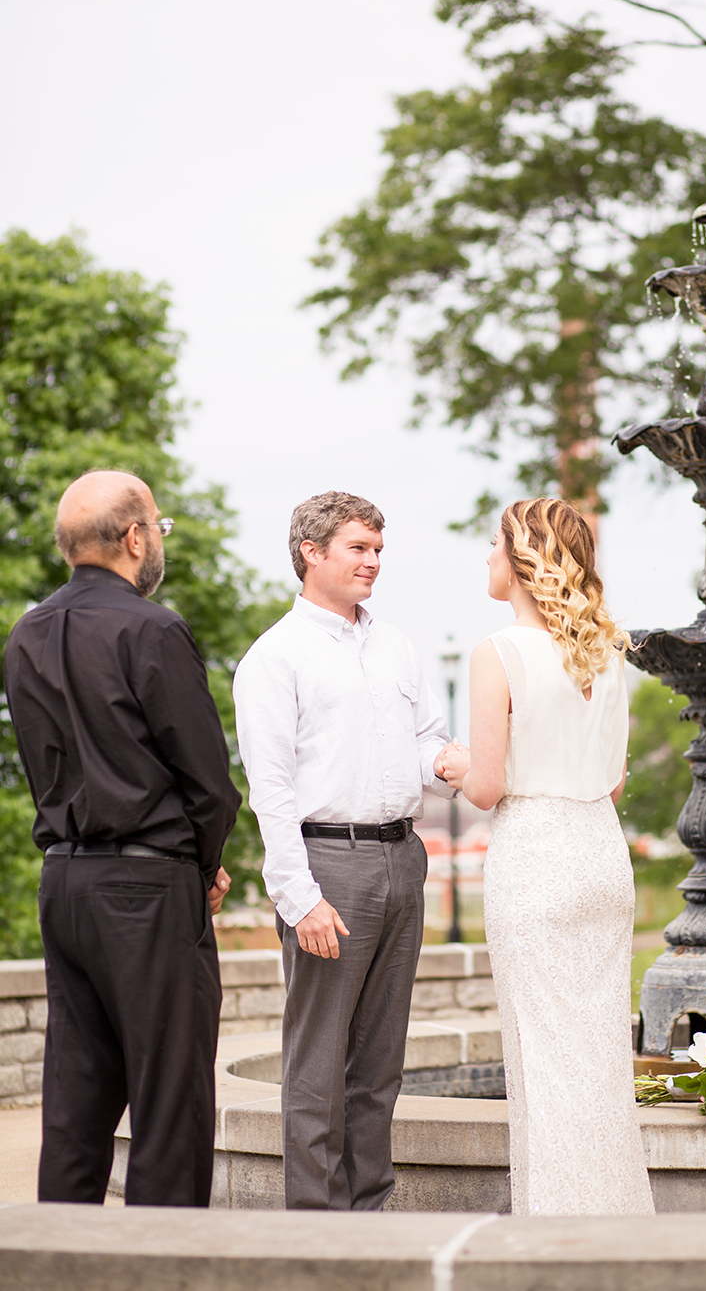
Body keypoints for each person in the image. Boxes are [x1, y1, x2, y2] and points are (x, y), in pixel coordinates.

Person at [3, 469, 241, 1207]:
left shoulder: (26, 633)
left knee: (75, 1104)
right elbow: (208, 783)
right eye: (159, 528)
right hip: (148, 888)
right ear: (135, 537)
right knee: (170, 1107)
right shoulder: (152, 628)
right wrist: (201, 870)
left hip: (65, 884)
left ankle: (61, 1270)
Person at [233, 490, 453, 1211]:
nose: (373, 563)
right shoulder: (275, 658)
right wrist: (299, 898)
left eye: (379, 550)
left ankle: (370, 1212)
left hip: (402, 858)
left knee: (380, 1063)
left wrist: (453, 764)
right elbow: (270, 789)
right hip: (327, 867)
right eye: (359, 549)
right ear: (312, 553)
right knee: (318, 1064)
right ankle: (318, 1231)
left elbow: (425, 743)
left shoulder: (395, 646)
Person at [437, 497, 655, 1217]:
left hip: (535, 858)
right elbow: (614, 781)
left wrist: (453, 762)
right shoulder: (605, 650)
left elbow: (489, 786)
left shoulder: (498, 652)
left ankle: (559, 1231)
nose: (488, 559)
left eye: (496, 545)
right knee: (595, 1060)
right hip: (600, 857)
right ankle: (615, 1218)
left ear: (524, 559)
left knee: (543, 1059)